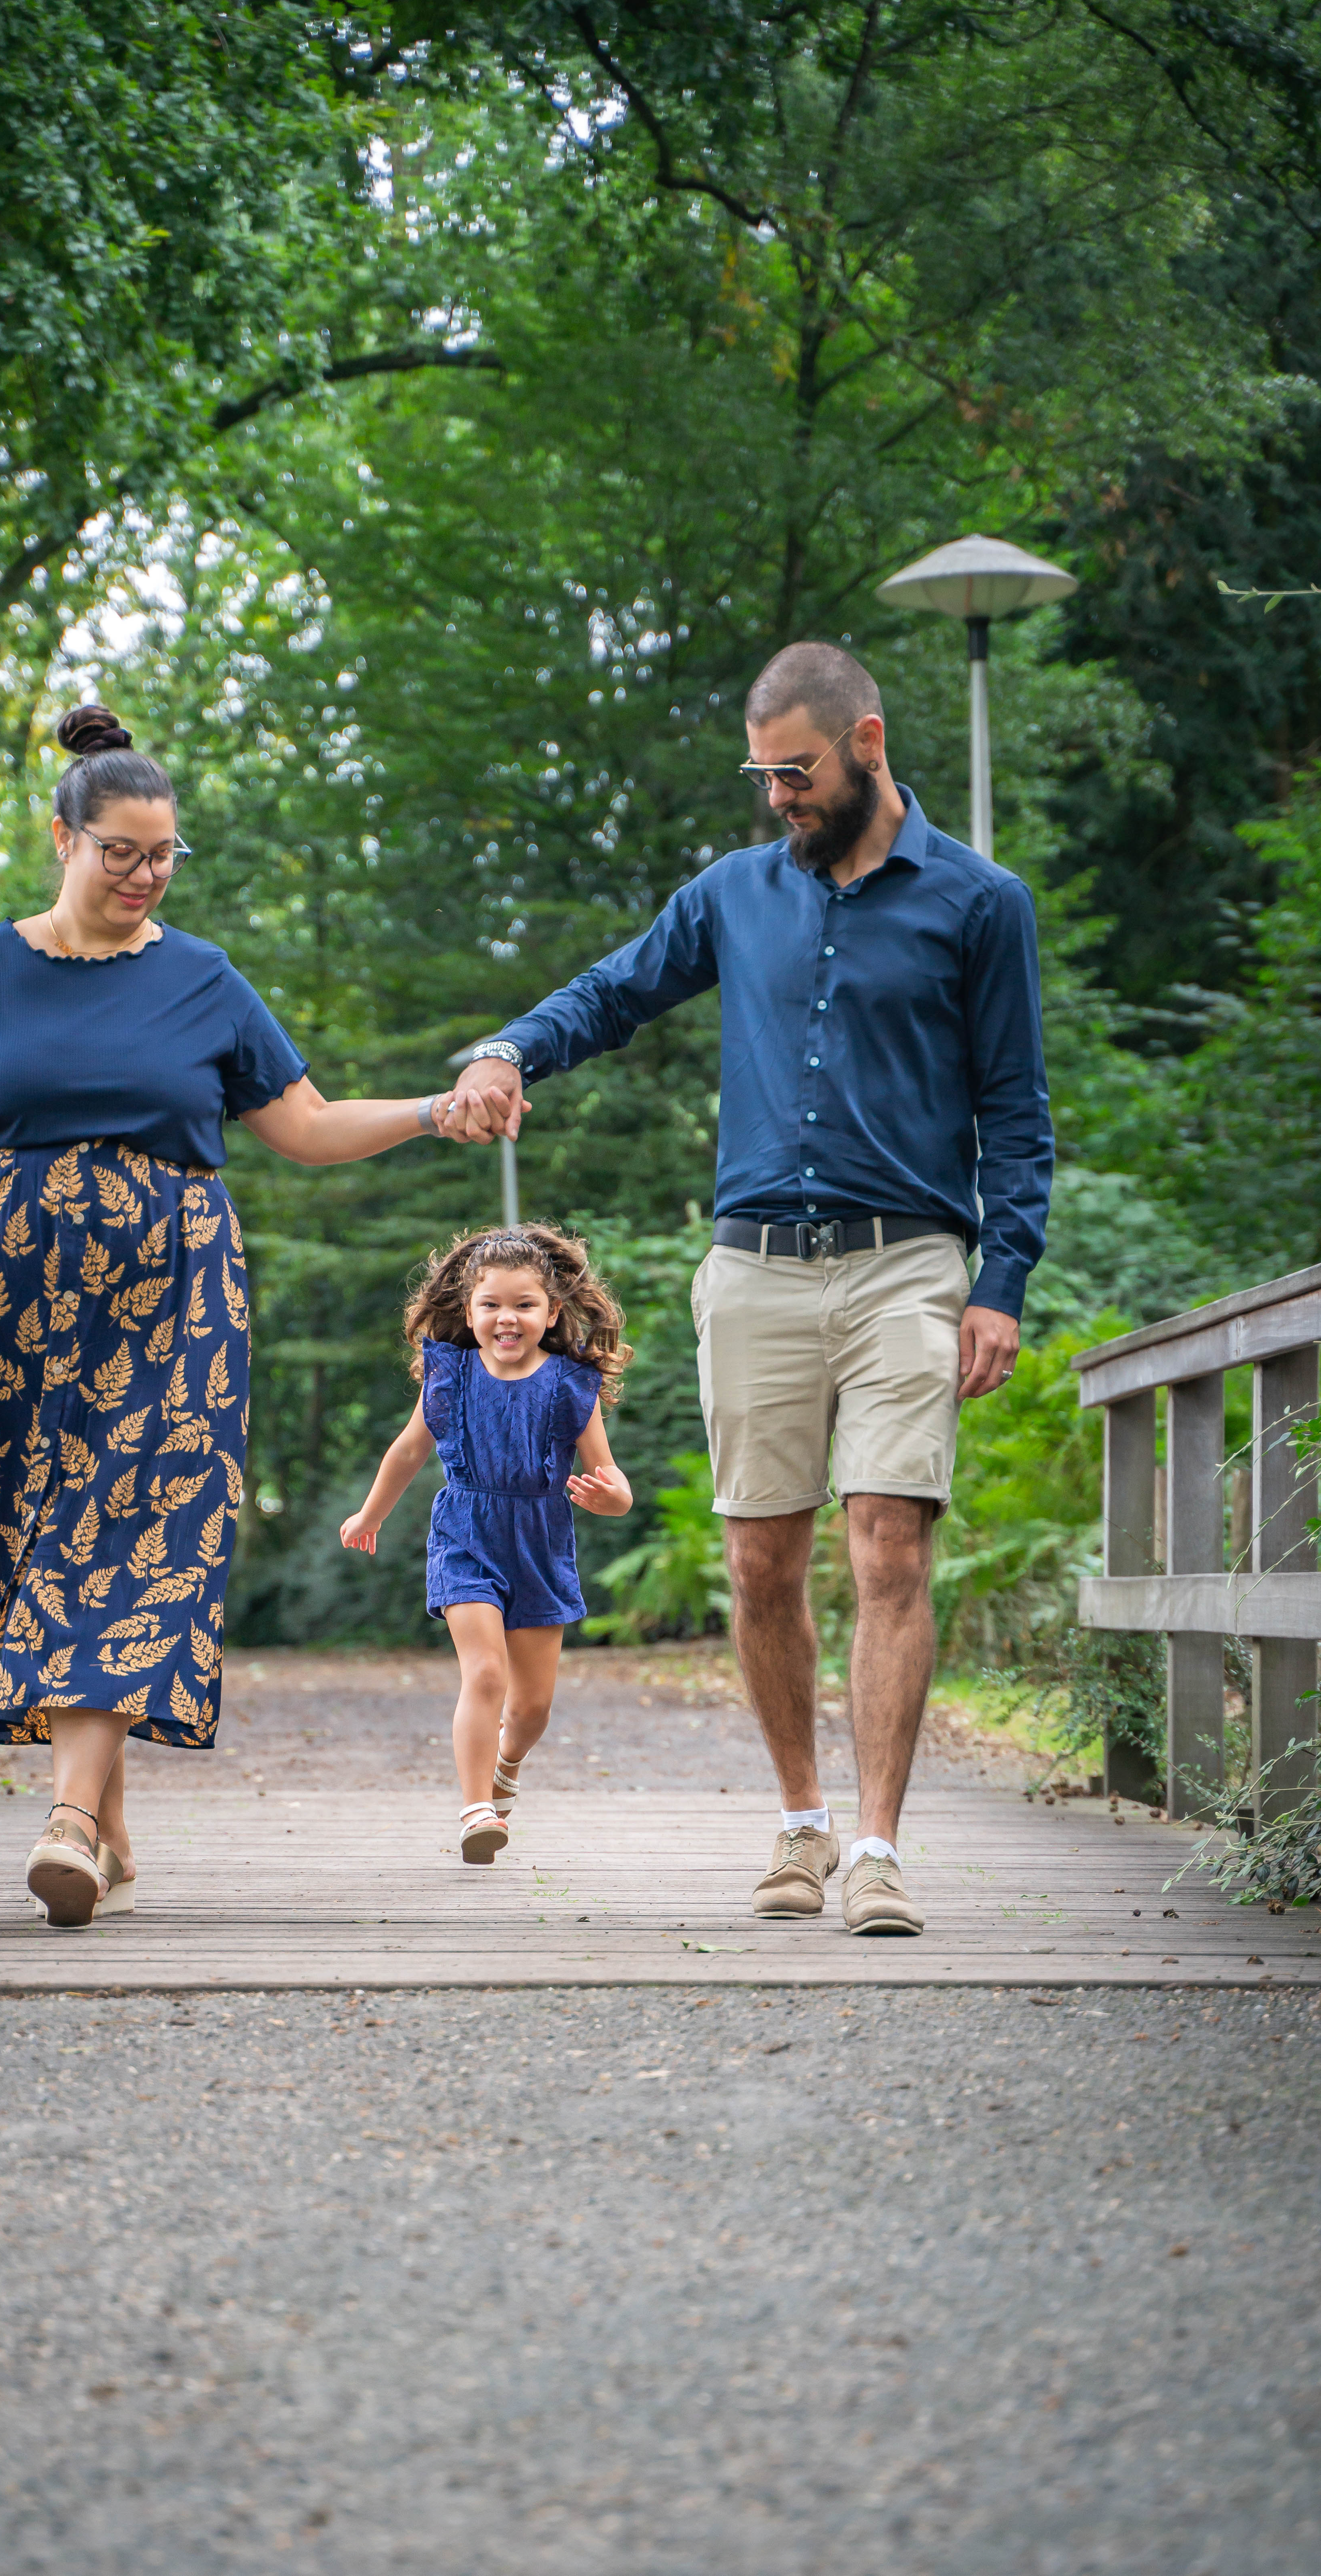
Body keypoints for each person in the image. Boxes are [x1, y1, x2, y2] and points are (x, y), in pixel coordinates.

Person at [445, 641, 1054, 1935]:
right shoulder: (733, 893)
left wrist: (1002, 1280)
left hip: (908, 1262)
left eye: (799, 770)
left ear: (868, 744)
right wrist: (510, 1047)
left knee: (891, 1543)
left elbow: (1017, 1110)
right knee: (761, 1557)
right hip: (757, 1268)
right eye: (764, 774)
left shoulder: (982, 902)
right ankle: (801, 1826)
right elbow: (615, 994)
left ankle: (880, 1847)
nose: (779, 795)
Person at [0, 704, 468, 1927]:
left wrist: (435, 1111)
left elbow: (305, 1127)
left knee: (132, 1526)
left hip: (167, 1304)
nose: (145, 875)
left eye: (165, 854)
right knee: (14, 1533)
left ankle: (72, 1819)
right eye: (122, 852)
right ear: (64, 841)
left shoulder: (205, 980)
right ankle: (109, 1822)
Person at [339, 1225, 633, 1861]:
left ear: (551, 1312)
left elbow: (612, 1477)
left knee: (531, 1708)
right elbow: (409, 1450)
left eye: (524, 1305)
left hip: (540, 1544)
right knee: (487, 1673)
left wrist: (614, 1499)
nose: (507, 1318)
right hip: (466, 1535)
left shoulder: (570, 1386)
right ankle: (476, 1809)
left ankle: (506, 1765)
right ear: (468, 1313)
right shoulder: (451, 1376)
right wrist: (370, 1514)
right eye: (491, 1304)